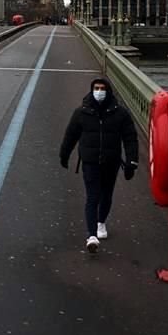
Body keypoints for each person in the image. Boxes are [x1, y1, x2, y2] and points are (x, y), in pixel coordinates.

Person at [59, 77, 139, 253]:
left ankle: (101, 222)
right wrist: (64, 155)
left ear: (108, 91)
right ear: (91, 90)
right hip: (90, 161)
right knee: (93, 196)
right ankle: (91, 235)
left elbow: (130, 138)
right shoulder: (82, 112)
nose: (99, 91)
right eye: (96, 88)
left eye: (102, 88)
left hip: (111, 161)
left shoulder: (120, 114)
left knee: (106, 194)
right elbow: (70, 135)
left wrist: (132, 162)